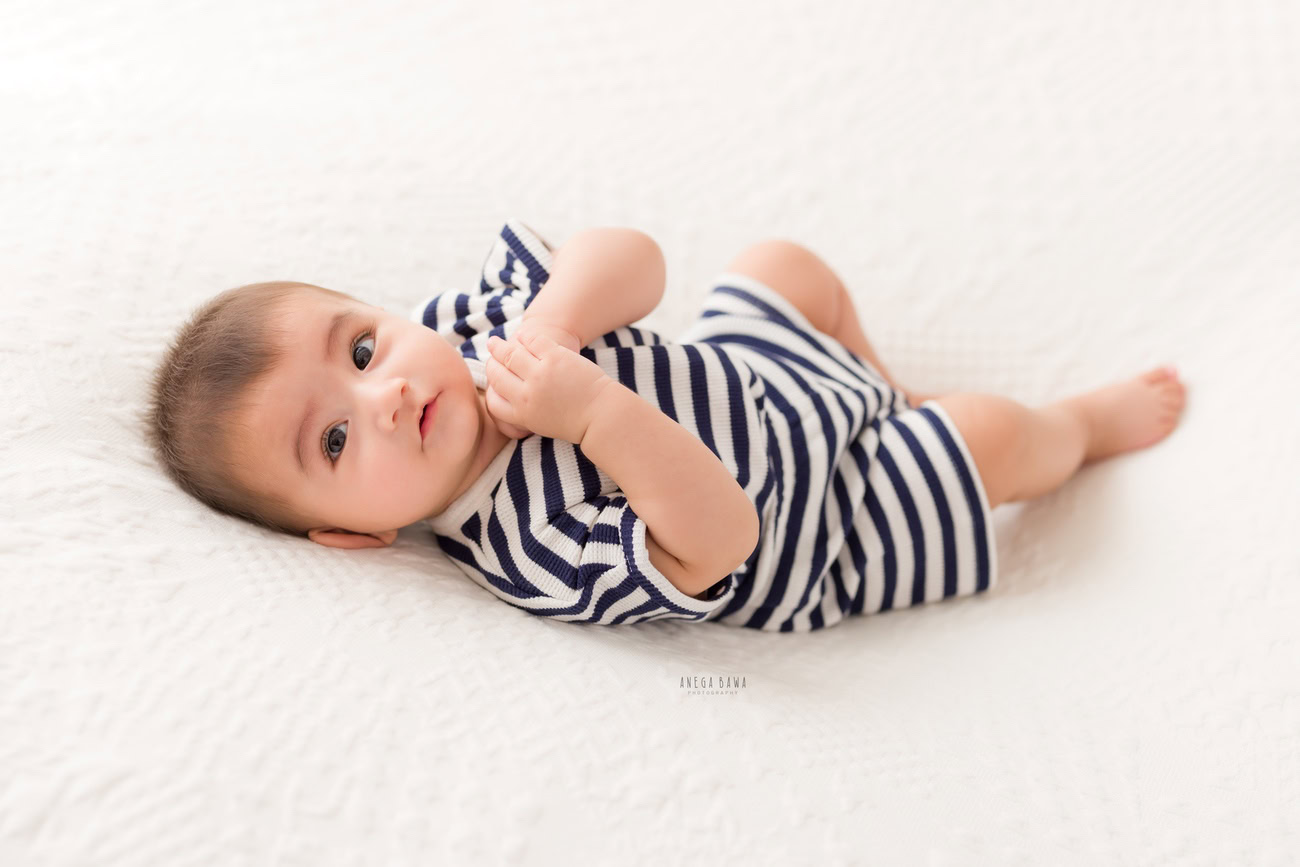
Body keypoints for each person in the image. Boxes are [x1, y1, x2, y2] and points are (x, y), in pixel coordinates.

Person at [146, 220, 1186, 631]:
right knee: (988, 433)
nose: (382, 396)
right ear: (352, 538)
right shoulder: (529, 549)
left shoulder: (469, 331)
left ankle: (878, 379)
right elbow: (721, 538)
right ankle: (1077, 427)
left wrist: (551, 322)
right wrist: (590, 411)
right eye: (333, 443)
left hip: (757, 380)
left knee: (783, 264)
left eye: (362, 347)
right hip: (824, 517)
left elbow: (636, 261)